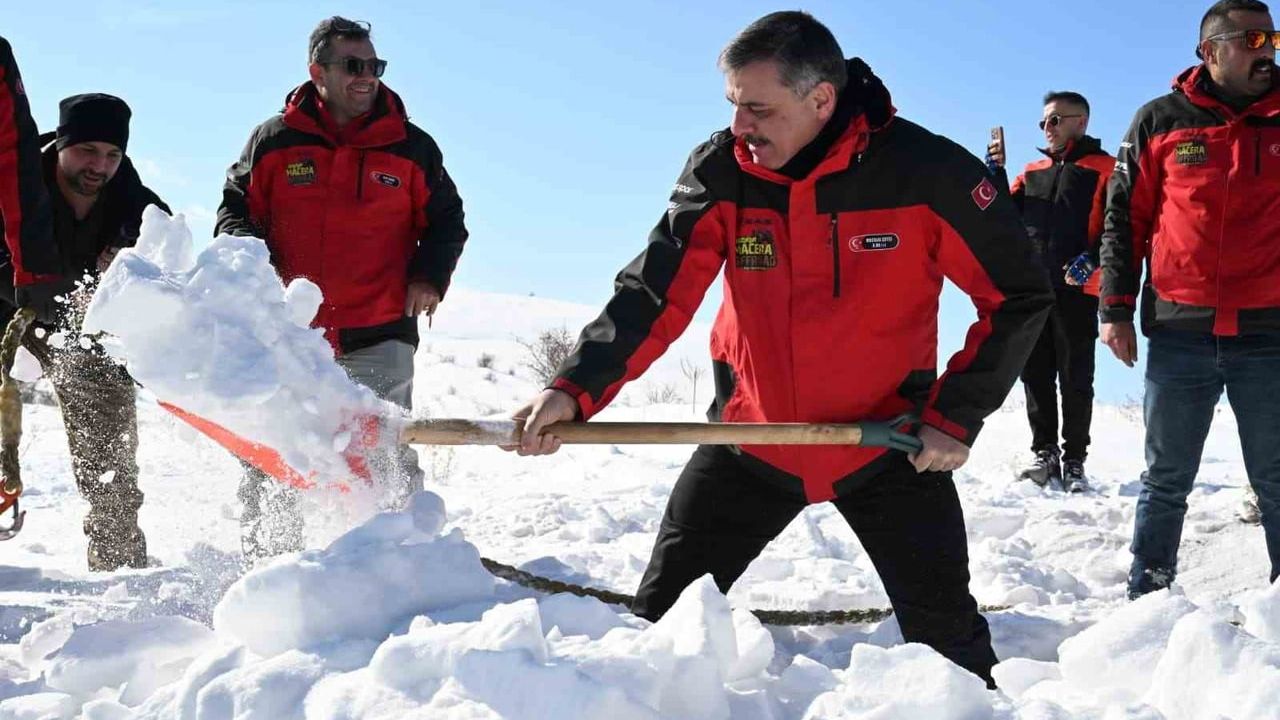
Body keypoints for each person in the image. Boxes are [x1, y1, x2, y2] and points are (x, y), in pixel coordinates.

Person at [509, 11, 1053, 688]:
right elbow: (654, 291)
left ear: (821, 98)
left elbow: (1018, 296)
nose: (740, 126)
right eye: (734, 105)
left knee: (953, 655)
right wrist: (574, 387)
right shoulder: (722, 169)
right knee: (658, 634)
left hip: (889, 445)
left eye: (758, 109)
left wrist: (955, 415)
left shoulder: (929, 173)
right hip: (751, 440)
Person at [216, 16, 468, 562]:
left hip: (380, 328)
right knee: (272, 455)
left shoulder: (413, 147)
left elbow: (448, 220)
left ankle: (403, 563)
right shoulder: (274, 140)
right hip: (289, 333)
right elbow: (235, 209)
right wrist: (248, 264)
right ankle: (270, 570)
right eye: (353, 65)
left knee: (383, 454)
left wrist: (429, 276)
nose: (367, 76)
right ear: (319, 73)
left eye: (375, 65)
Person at [1100, 0, 1280, 598]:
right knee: (1166, 478)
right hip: (1180, 330)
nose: (1267, 51)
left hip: (1269, 330)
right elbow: (1124, 219)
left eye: (1274, 39)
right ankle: (1148, 596)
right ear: (1211, 51)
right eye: (1253, 39)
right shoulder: (1159, 120)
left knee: (1277, 478)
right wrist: (1114, 308)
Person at [0, 85, 167, 570]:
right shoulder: (13, 182)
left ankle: (118, 559)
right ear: (61, 144)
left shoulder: (139, 207)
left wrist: (131, 267)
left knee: (107, 431)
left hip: (83, 329)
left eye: (112, 155)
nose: (99, 165)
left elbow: (166, 263)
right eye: (87, 151)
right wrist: (41, 290)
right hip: (7, 310)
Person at [988, 92, 1113, 493]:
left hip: (1077, 289)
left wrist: (1092, 258)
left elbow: (1119, 226)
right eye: (1044, 122)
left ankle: (1075, 458)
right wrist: (995, 174)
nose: (1048, 128)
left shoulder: (1106, 169)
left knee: (1076, 375)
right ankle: (1044, 452)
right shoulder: (1031, 172)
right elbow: (1001, 217)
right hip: (1032, 290)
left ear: (1081, 122)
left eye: (1056, 120)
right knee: (1035, 375)